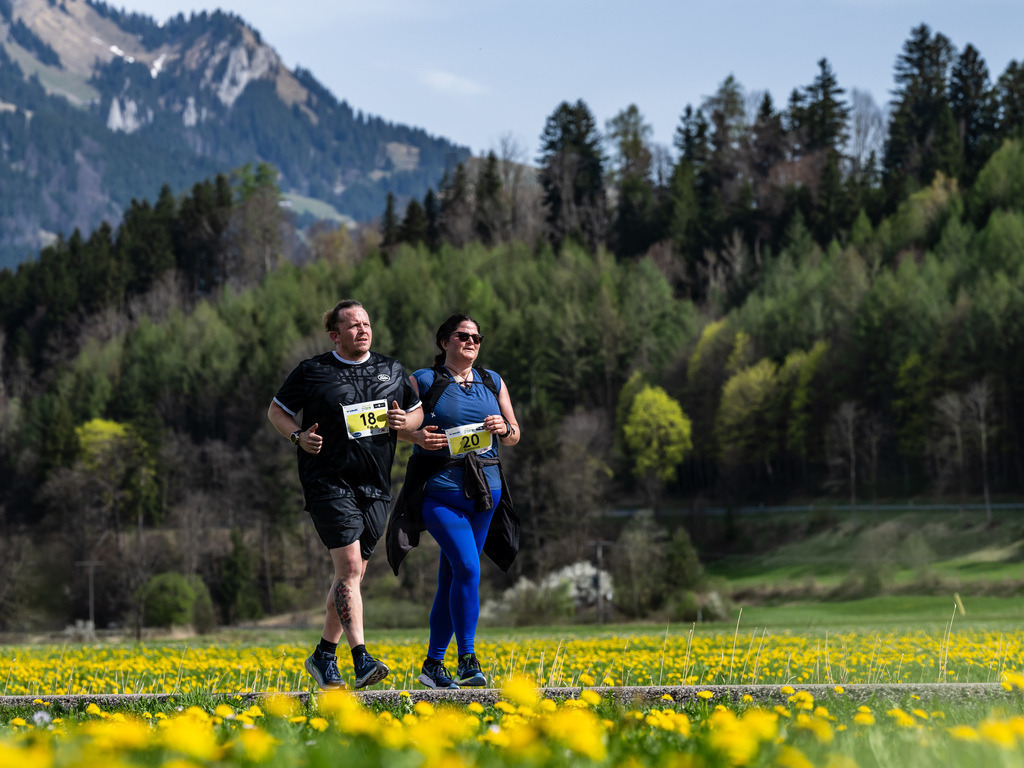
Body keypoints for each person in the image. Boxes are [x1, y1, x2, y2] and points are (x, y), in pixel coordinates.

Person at [268, 300, 422, 690]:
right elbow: (276, 411)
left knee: (350, 576)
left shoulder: (392, 370)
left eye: (366, 323)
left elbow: (417, 413)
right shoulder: (313, 371)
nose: (363, 330)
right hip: (328, 482)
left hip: (376, 486)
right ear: (335, 334)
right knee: (350, 568)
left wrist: (408, 421)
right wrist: (297, 437)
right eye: (353, 326)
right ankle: (362, 659)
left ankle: (323, 655)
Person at [386, 314, 521, 689]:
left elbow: (514, 434)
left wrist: (503, 429)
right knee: (468, 567)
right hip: (439, 492)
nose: (472, 342)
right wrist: (419, 439)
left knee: (454, 577)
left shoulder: (493, 381)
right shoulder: (424, 380)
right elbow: (399, 424)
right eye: (463, 336)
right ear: (444, 341)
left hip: (485, 493)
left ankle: (432, 664)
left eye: (477, 337)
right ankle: (467, 658)